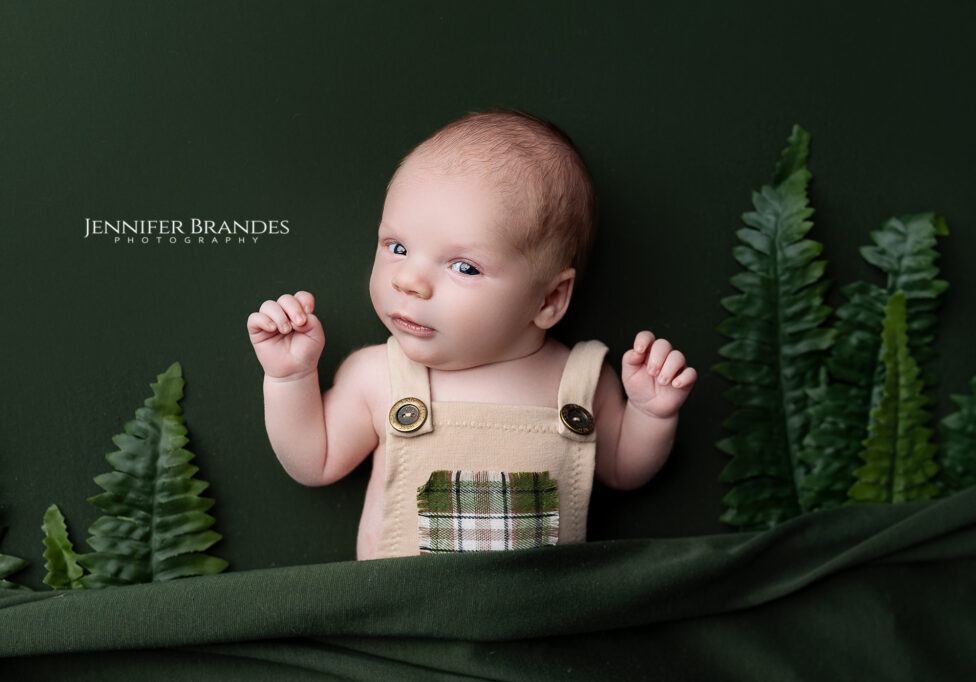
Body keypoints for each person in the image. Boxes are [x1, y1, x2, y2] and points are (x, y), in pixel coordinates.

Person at [247, 110, 696, 560]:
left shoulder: (579, 382)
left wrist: (650, 416)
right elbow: (314, 460)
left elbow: (623, 469)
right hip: (405, 621)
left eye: (464, 267)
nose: (409, 281)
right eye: (397, 248)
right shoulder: (378, 377)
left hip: (538, 621)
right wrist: (290, 377)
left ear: (549, 299)